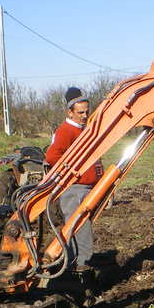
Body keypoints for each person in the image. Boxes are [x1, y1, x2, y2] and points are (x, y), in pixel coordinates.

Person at [45, 87, 104, 271]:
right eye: (80, 112)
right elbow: (52, 156)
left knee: (81, 223)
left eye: (86, 111)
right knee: (79, 224)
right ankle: (78, 264)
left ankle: (79, 261)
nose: (85, 115)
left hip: (86, 187)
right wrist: (72, 170)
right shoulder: (65, 131)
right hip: (74, 188)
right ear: (69, 112)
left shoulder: (83, 129)